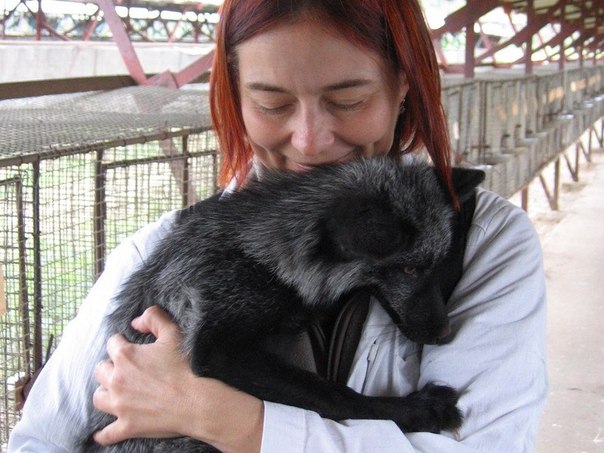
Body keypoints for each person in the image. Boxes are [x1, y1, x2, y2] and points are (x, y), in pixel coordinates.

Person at [8, 0, 547, 451]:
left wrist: (228, 421)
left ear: (402, 85)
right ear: (236, 96)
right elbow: (41, 440)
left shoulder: (489, 242)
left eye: (349, 100)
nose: (310, 141)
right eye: (272, 103)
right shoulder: (156, 248)